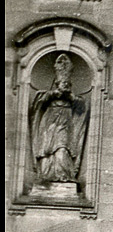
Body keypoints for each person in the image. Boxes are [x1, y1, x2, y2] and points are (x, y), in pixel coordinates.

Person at [29, 53, 90, 184]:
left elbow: (82, 106)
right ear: (57, 83)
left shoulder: (73, 97)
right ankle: (46, 176)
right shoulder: (47, 94)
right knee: (46, 151)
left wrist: (70, 97)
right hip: (49, 123)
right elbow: (38, 103)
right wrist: (53, 94)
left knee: (62, 148)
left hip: (65, 123)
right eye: (63, 83)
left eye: (67, 83)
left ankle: (64, 176)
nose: (65, 85)